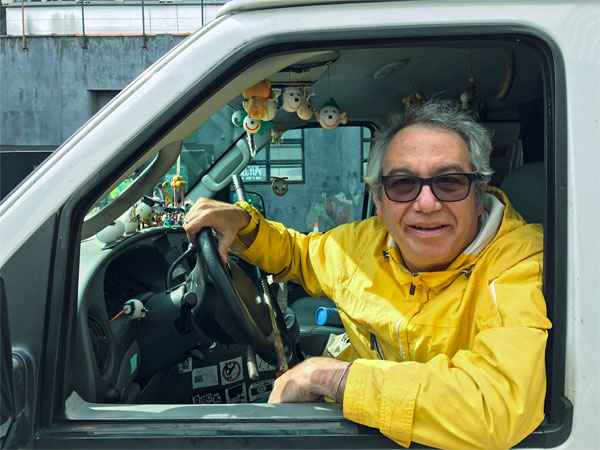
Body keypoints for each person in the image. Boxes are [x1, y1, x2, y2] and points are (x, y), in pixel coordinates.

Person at [183, 100, 552, 449]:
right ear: (379, 200)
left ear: (478, 192)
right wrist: (243, 222)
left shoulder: (519, 262)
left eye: (450, 181)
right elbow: (298, 255)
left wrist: (330, 376)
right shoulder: (363, 244)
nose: (426, 203)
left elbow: (496, 404)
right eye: (403, 184)